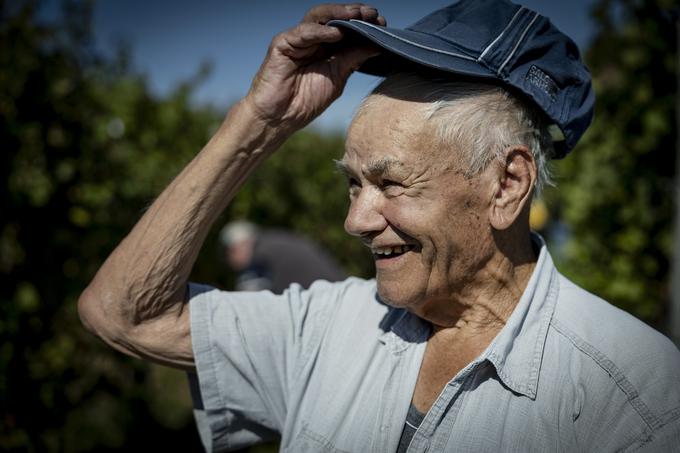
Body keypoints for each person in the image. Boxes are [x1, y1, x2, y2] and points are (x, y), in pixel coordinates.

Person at [78, 1, 680, 451]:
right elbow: (124, 314)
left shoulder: (636, 397)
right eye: (352, 183)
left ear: (506, 186)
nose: (355, 220)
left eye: (392, 184)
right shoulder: (326, 326)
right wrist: (257, 126)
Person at [219, 221, 345, 292]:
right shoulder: (273, 241)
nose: (230, 259)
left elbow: (249, 296)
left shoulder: (261, 253)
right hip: (335, 289)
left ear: (242, 244)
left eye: (231, 251)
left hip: (326, 296)